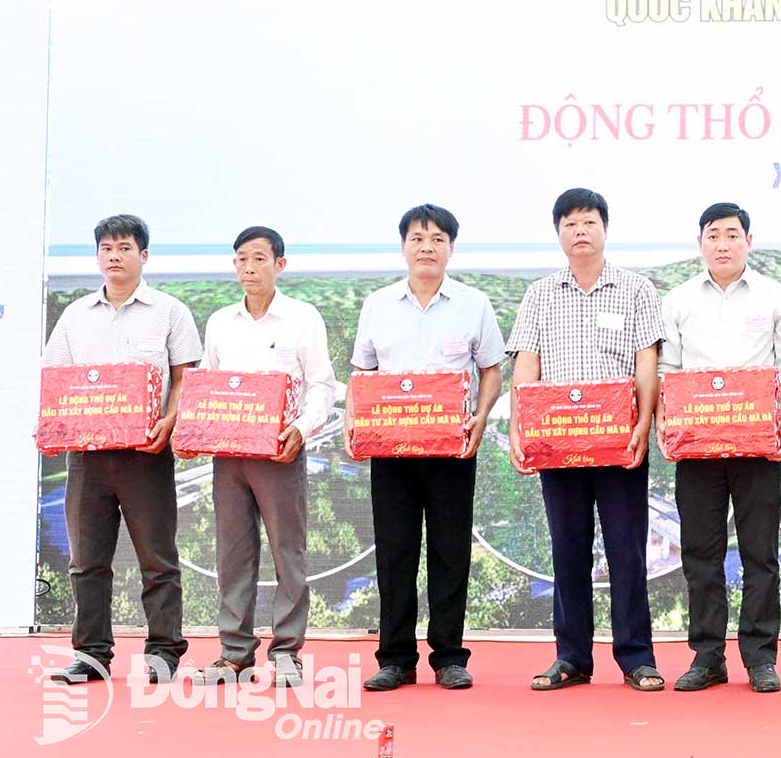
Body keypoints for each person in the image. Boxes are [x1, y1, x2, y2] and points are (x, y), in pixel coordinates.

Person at [507, 187, 665, 691]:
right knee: (568, 549)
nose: (580, 231)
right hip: (558, 443)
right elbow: (527, 365)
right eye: (570, 223)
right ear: (558, 233)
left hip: (621, 444)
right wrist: (518, 427)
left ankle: (637, 657)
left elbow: (646, 361)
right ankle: (571, 657)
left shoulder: (636, 289)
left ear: (605, 229)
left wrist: (643, 424)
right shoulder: (539, 294)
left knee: (627, 551)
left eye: (589, 222)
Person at [351, 204, 505, 691]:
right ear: (403, 246)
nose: (427, 247)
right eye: (417, 238)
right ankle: (395, 658)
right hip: (391, 451)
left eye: (437, 239)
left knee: (450, 552)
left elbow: (492, 370)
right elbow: (362, 375)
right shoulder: (378, 304)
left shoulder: (473, 304)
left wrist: (481, 416)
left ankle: (449, 657)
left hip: (451, 452)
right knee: (394, 553)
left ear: (451, 249)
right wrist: (356, 425)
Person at [43, 214, 201, 685]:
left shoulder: (169, 311)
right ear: (97, 256)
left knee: (157, 558)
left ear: (143, 255)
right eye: (106, 248)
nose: (114, 256)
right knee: (87, 562)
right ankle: (91, 655)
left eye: (124, 248)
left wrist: (170, 420)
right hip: (87, 457)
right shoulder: (76, 315)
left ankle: (164, 652)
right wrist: (51, 428)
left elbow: (185, 378)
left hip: (146, 453)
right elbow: (57, 381)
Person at [185, 226, 339, 689]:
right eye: (241, 259)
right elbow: (208, 381)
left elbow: (322, 384)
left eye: (258, 259)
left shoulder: (302, 318)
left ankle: (287, 652)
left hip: (279, 452)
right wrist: (193, 429)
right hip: (228, 456)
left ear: (280, 265)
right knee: (232, 553)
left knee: (287, 551)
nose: (249, 268)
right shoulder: (220, 321)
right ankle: (234, 653)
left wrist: (302, 429)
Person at [659, 202, 781, 693]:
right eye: (714, 235)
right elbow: (668, 372)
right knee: (701, 553)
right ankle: (707, 657)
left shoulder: (776, 295)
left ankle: (760, 657)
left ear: (748, 241)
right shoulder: (678, 299)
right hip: (697, 446)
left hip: (757, 445)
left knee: (761, 554)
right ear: (700, 243)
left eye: (732, 235)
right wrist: (666, 425)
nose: (723, 244)